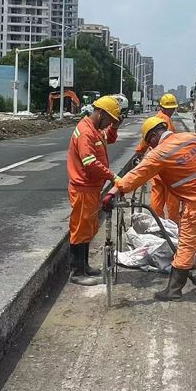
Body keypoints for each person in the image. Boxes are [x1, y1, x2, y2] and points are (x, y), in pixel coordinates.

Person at [104, 116, 196, 301]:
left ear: (153, 136)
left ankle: (174, 290)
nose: (150, 146)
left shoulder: (159, 154)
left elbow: (136, 174)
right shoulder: (190, 137)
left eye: (149, 142)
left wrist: (113, 192)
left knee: (186, 244)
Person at [67, 95, 122, 285]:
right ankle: (77, 272)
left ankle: (84, 266)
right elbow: (90, 163)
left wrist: (114, 126)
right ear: (100, 114)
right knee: (80, 229)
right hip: (83, 188)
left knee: (88, 228)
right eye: (109, 120)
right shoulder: (86, 132)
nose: (109, 124)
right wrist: (112, 176)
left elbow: (109, 139)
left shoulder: (96, 130)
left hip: (91, 188)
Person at [134, 93, 181, 222]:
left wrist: (140, 152)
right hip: (168, 166)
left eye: (173, 108)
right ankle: (173, 224)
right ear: (163, 107)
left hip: (156, 164)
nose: (171, 111)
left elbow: (146, 140)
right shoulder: (165, 122)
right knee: (172, 197)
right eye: (170, 108)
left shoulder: (156, 119)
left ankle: (157, 223)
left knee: (157, 194)